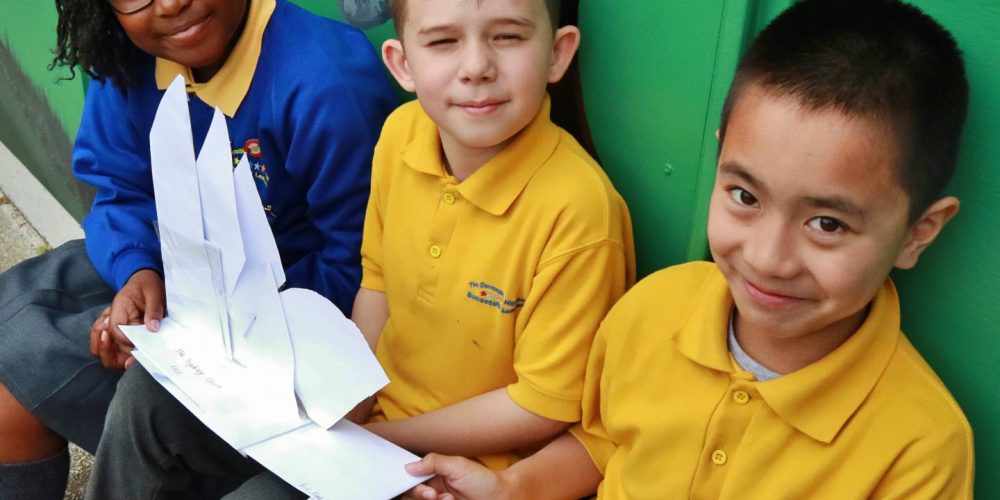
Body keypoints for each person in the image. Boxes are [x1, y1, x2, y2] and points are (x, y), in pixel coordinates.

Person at [405, 0, 975, 498]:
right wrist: (513, 488)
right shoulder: (652, 310)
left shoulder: (919, 447)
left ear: (918, 233)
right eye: (745, 196)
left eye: (827, 224)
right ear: (721, 157)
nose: (767, 258)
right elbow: (603, 444)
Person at [82, 0, 635, 497]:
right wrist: (347, 402)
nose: (476, 67)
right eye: (443, 41)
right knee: (149, 397)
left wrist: (381, 436)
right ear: (402, 63)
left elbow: (540, 404)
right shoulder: (402, 136)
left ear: (558, 53)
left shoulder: (579, 210)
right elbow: (377, 283)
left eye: (508, 37)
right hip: (366, 417)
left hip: (465, 465)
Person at [0, 0, 396, 498]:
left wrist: (198, 322)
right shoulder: (124, 54)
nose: (170, 5)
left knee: (148, 404)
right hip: (175, 275)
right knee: (14, 351)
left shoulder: (325, 81)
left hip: (294, 320)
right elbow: (118, 189)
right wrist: (136, 271)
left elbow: (358, 265)